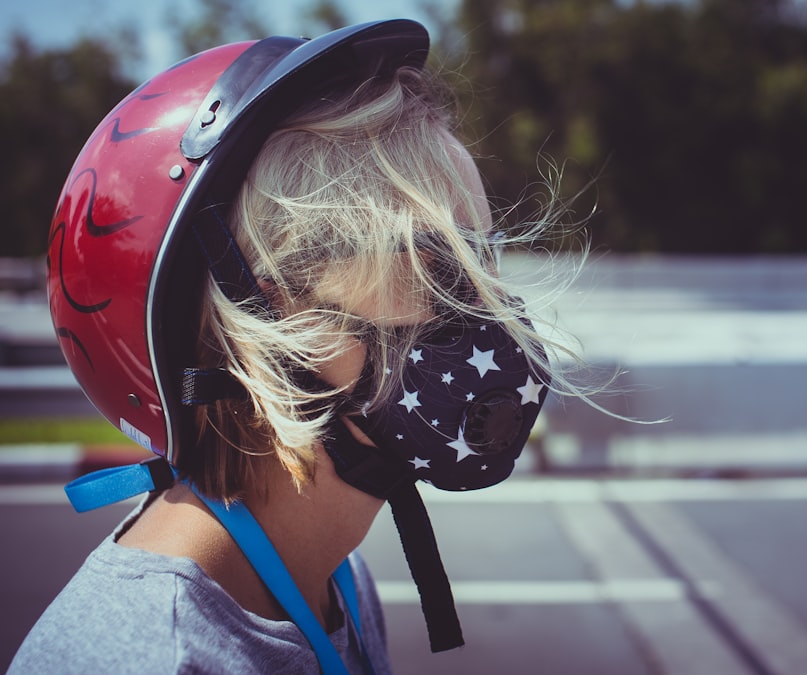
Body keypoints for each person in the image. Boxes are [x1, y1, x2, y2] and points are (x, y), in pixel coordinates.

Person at [11, 18, 576, 674]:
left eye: (484, 262)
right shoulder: (153, 658)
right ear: (263, 304)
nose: (487, 311)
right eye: (438, 268)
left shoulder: (333, 582)